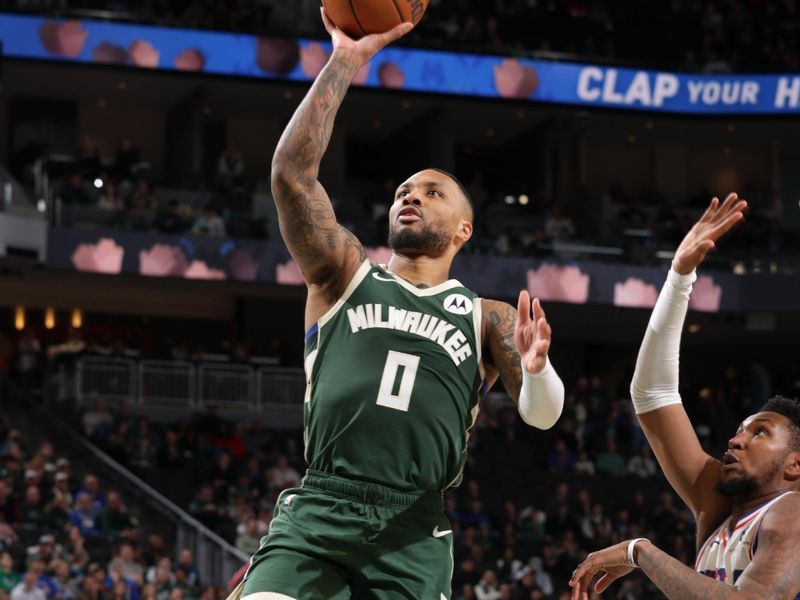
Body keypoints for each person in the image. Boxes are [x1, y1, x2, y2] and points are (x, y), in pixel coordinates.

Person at [233, 9, 565, 600]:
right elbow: (290, 175)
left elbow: (542, 415)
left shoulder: (490, 317)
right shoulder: (343, 272)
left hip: (414, 524)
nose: (412, 197)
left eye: (432, 192)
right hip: (320, 507)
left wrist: (536, 372)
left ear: (464, 230)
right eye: (403, 192)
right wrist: (346, 59)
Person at [570, 195, 800, 599]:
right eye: (740, 430)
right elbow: (652, 394)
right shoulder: (719, 508)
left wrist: (637, 551)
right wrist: (679, 276)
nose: (735, 440)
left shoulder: (792, 512)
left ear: (796, 464)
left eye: (759, 433)